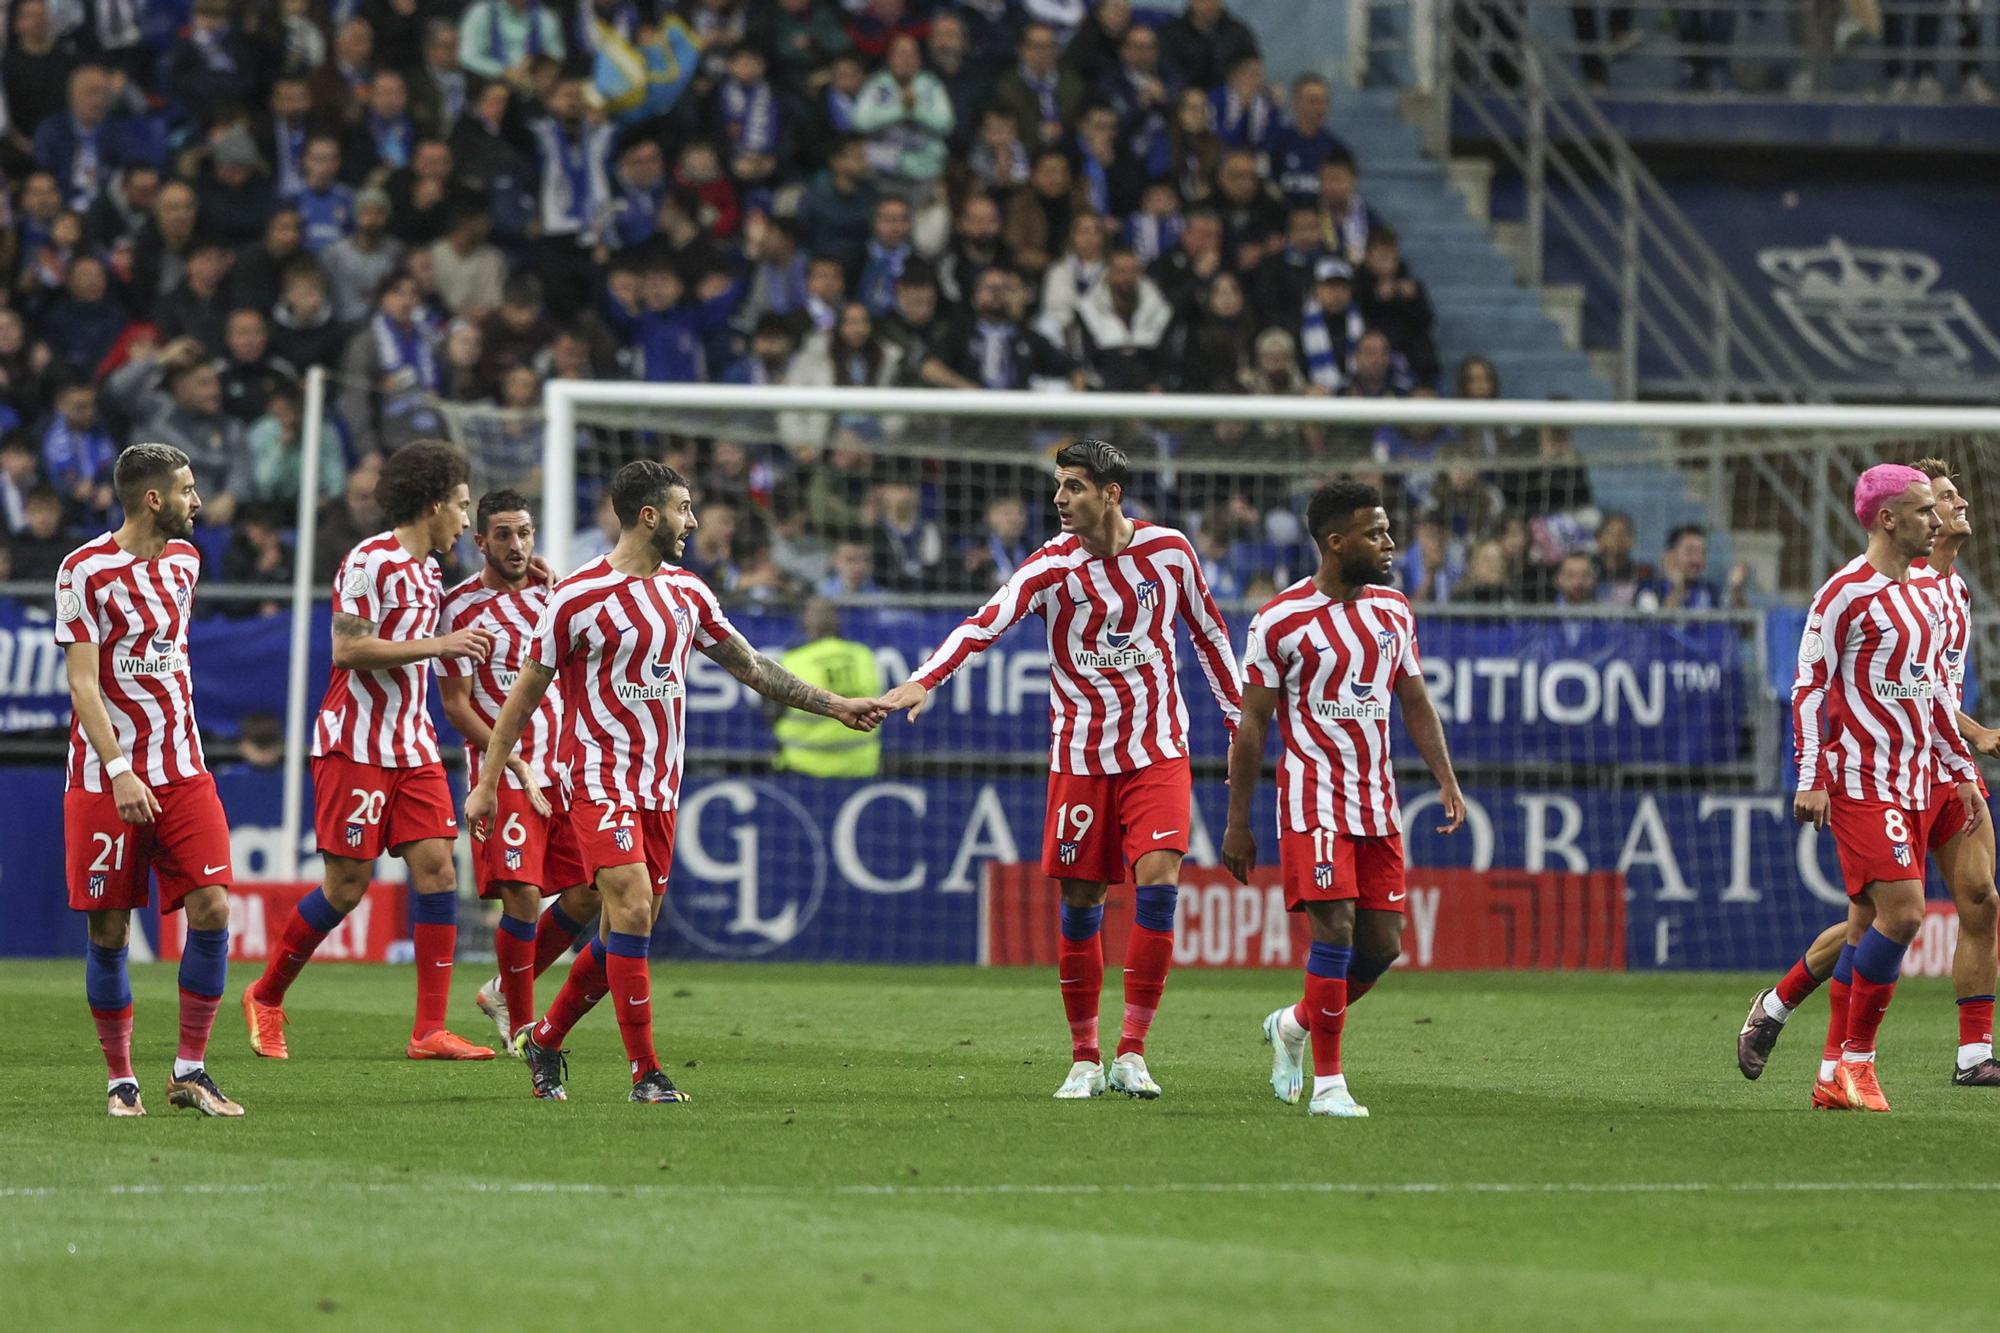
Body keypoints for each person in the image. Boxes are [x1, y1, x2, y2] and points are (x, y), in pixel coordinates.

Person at [467, 460, 884, 1101]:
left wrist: (834, 705)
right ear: (650, 516)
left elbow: (752, 666)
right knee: (630, 907)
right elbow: (524, 696)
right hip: (597, 780)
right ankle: (646, 1074)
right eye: (685, 509)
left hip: (660, 789)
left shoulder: (688, 593)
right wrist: (489, 781)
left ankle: (546, 1037)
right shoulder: (575, 597)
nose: (692, 521)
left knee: (622, 934)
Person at [875, 439, 1243, 1101]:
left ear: (1110, 494)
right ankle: (1084, 1056)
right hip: (1080, 757)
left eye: (1073, 486)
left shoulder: (1170, 552)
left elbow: (1210, 633)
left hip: (1159, 748)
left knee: (1158, 882)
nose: (1059, 498)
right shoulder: (1050, 567)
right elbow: (984, 623)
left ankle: (1132, 1050)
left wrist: (1240, 717)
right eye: (1058, 486)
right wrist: (922, 680)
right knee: (1081, 903)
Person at [1738, 459, 2000, 1094]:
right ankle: (1843, 1057)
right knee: (1892, 918)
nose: (1946, 512)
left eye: (1947, 503)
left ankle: (1945, 1057)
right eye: (1932, 504)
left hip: (1929, 770)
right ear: (1897, 518)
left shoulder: (1939, 595)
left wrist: (1963, 761)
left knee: (1973, 903)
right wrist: (1809, 774)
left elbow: (1930, 689)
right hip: (1864, 776)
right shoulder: (1845, 593)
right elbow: (1808, 685)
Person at [243, 441, 499, 1063]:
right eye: (462, 506)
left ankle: (428, 1032)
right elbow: (348, 651)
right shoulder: (369, 561)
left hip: (412, 746)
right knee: (346, 886)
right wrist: (439, 646)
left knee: (438, 869)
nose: (466, 521)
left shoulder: (430, 571)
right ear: (434, 503)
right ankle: (266, 995)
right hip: (353, 745)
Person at [1222, 479, 1466, 1119]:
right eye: (1375, 533)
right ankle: (1330, 1084)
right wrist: (1237, 822)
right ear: (1337, 542)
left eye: (1387, 531)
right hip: (1312, 801)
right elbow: (1250, 725)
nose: (1389, 543)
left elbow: (1413, 698)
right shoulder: (1279, 620)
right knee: (1334, 929)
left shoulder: (1393, 612)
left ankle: (1294, 1025)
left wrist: (1444, 775)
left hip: (1377, 804)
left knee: (1382, 946)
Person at [57, 442, 244, 1118]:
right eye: (188, 489)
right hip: (106, 778)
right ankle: (120, 1079)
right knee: (110, 927)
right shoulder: (84, 570)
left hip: (183, 770)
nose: (199, 501)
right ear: (154, 498)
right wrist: (118, 770)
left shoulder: (188, 563)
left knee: (215, 906)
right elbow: (83, 685)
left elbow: (164, 662)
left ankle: (191, 1068)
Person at [438, 490, 600, 1053]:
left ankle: (509, 988)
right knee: (523, 896)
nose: (517, 544)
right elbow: (456, 703)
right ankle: (526, 1029)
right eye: (503, 534)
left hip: (562, 769)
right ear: (480, 541)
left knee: (588, 892)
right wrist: (508, 758)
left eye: (525, 532)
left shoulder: (553, 599)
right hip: (504, 772)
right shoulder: (458, 609)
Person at [773, 598, 886, 777]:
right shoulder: (864, 655)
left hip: (804, 769)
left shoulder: (791, 662)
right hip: (861, 768)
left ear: (805, 623)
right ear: (837, 621)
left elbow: (771, 714)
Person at [1634, 523, 1746, 612]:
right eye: (1690, 552)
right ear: (1670, 556)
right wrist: (1678, 588)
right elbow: (1656, 631)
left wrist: (1736, 591)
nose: (1697, 560)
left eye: (1702, 553)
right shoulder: (1649, 588)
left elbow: (1745, 630)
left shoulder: (1709, 589)